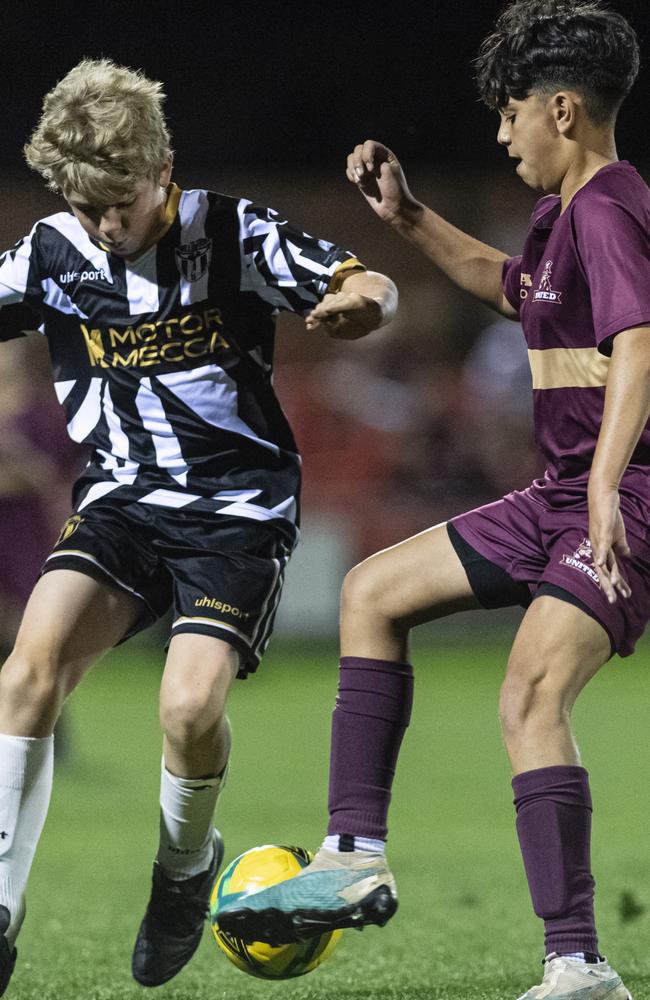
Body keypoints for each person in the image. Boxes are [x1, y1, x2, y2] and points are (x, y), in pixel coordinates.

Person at [216, 3, 648, 998]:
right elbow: (508, 286)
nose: (500, 137)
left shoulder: (608, 205)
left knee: (529, 697)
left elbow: (636, 341)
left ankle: (577, 961)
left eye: (508, 116)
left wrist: (601, 484)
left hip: (618, 498)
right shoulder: (559, 216)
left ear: (562, 108)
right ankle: (352, 853)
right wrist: (405, 216)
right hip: (554, 496)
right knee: (371, 592)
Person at [0, 58, 397, 996]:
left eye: (121, 203)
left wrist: (358, 306)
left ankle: (183, 869)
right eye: (87, 205)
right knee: (28, 667)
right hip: (121, 500)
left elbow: (369, 281)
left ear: (163, 165)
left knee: (187, 707)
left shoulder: (231, 229)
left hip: (235, 507)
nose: (106, 225)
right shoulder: (54, 252)